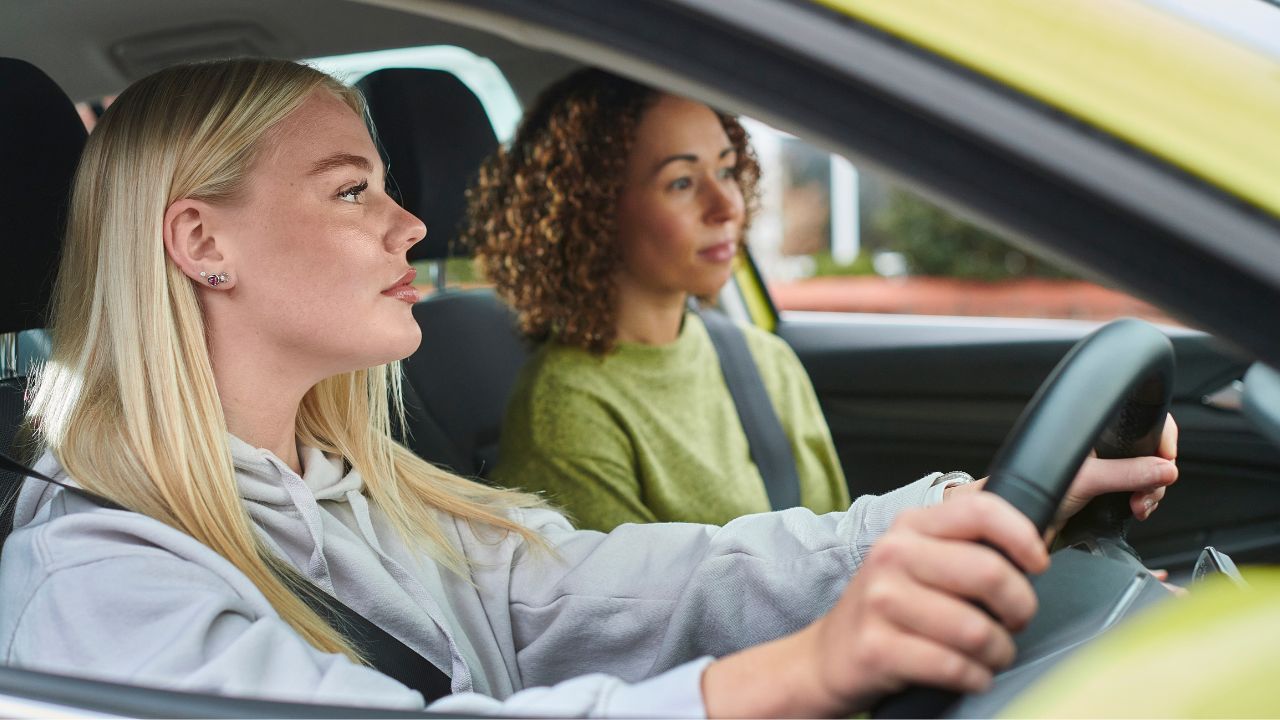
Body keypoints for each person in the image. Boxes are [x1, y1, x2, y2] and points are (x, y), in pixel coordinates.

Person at [0, 58, 1177, 718]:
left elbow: (633, 584)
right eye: (353, 191)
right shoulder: (102, 579)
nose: (412, 223)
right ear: (203, 242)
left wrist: (947, 513)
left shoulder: (366, 493)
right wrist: (795, 677)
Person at [471, 69, 851, 530]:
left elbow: (844, 549)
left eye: (726, 170)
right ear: (593, 209)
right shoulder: (566, 407)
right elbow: (630, 600)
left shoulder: (767, 362)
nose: (727, 205)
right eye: (682, 182)